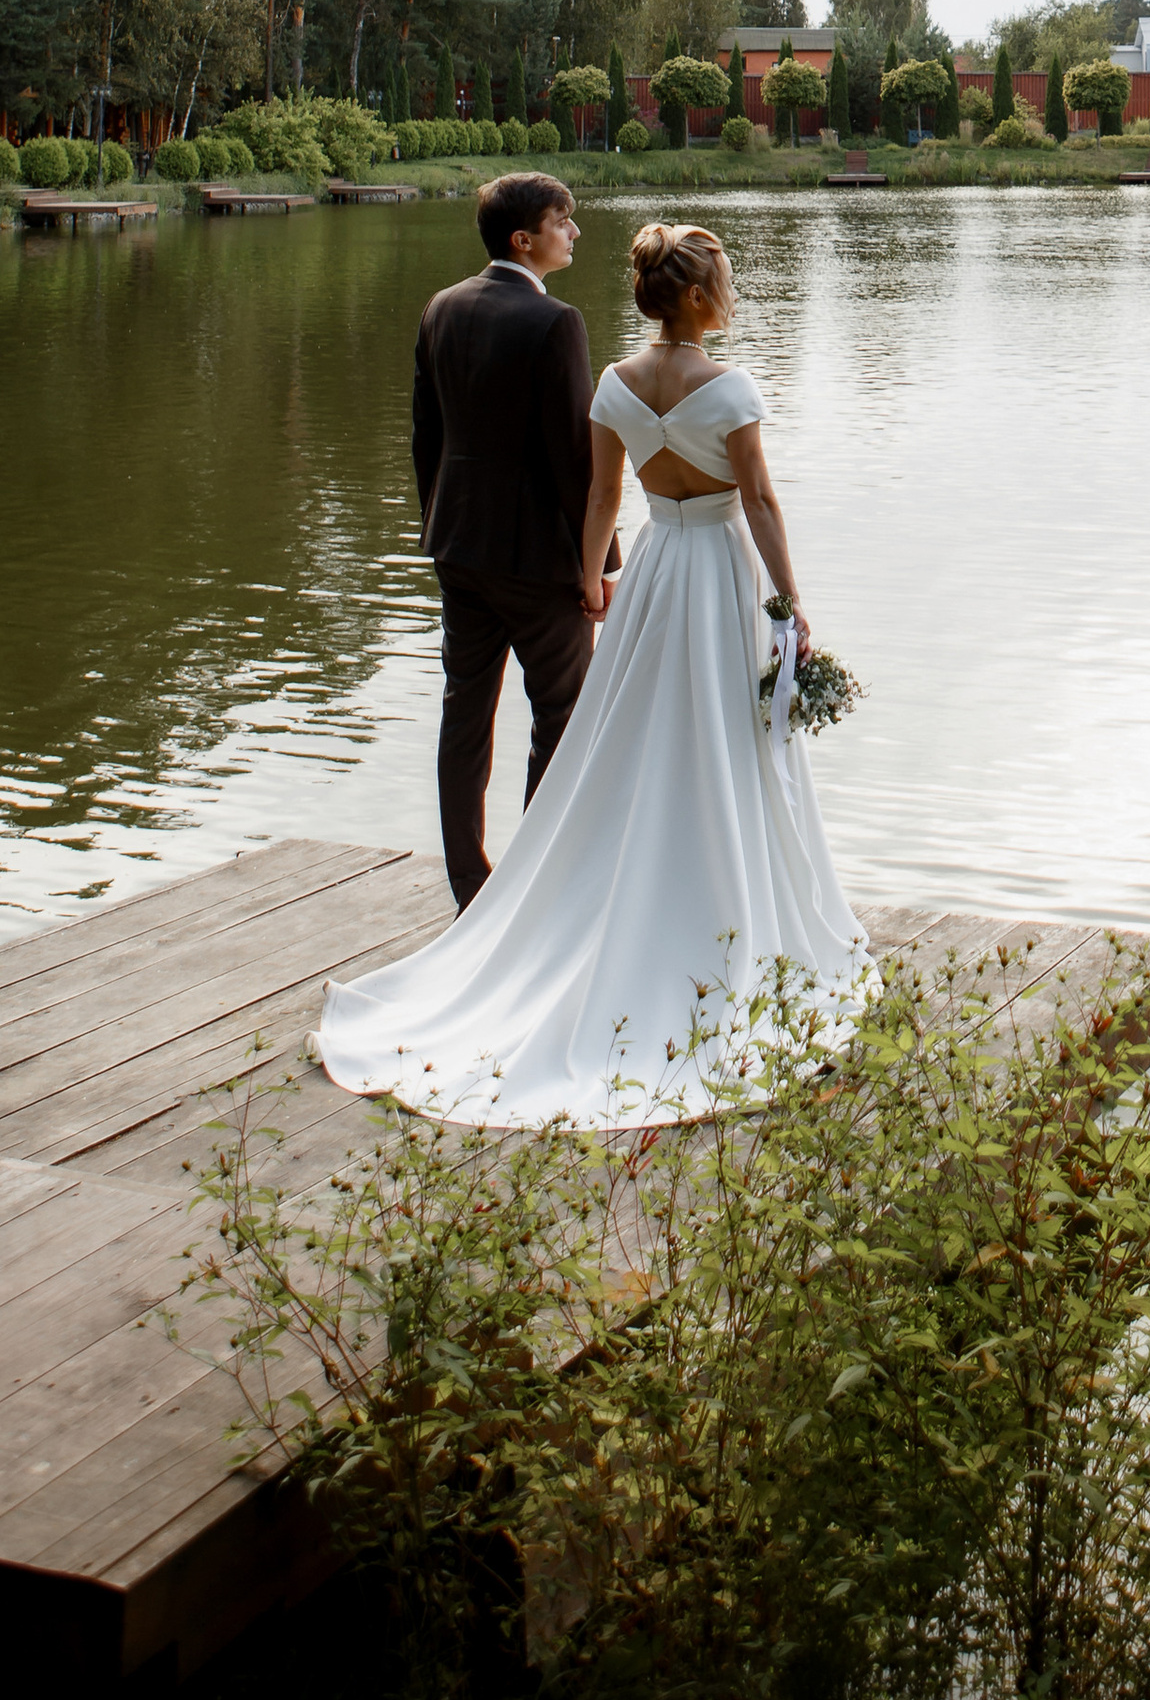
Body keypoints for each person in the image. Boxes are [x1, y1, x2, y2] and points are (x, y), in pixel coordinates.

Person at [317, 221, 873, 1128]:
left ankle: (622, 884)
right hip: (719, 573)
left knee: (633, 736)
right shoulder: (728, 387)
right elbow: (761, 500)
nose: (727, 293)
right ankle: (720, 898)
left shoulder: (617, 382)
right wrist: (793, 599)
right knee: (724, 737)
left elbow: (603, 495)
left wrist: (589, 578)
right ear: (698, 297)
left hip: (652, 572)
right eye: (722, 281)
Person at [409, 170, 603, 913]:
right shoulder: (556, 324)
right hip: (537, 561)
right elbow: (574, 461)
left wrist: (440, 522)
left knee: (465, 712)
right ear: (525, 240)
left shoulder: (442, 307)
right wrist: (597, 567)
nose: (574, 232)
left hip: (457, 547)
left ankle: (470, 886)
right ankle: (533, 888)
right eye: (564, 221)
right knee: (561, 714)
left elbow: (426, 436)